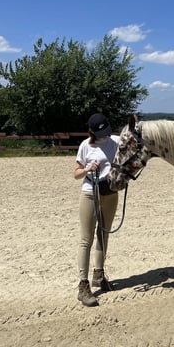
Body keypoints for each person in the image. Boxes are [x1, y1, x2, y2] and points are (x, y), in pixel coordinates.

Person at [73, 113, 120, 306]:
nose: (105, 136)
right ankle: (83, 285)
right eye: (101, 133)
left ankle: (99, 275)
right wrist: (87, 168)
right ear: (91, 131)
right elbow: (75, 174)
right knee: (86, 239)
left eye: (106, 132)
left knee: (104, 234)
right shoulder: (86, 146)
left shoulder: (115, 141)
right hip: (89, 193)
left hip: (110, 193)